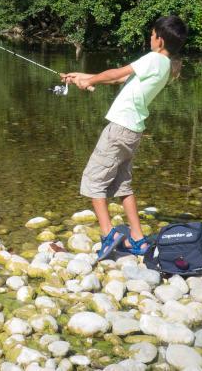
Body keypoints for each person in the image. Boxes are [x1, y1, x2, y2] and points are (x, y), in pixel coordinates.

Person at [60, 15, 188, 259]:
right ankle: (138, 238)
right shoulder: (164, 65)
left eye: (152, 35)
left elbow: (116, 72)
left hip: (120, 128)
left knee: (93, 180)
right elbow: (120, 79)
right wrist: (83, 76)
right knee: (122, 183)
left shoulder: (153, 58)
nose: (150, 38)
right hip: (133, 130)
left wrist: (91, 80)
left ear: (159, 41)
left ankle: (109, 233)